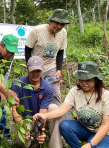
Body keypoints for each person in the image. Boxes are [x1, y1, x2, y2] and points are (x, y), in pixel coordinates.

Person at [34, 61, 109, 148]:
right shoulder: (75, 91)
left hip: (105, 135)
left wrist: (91, 144)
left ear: (96, 79)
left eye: (88, 80)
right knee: (65, 126)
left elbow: (106, 125)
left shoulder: (108, 96)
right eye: (81, 79)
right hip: (85, 129)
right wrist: (45, 116)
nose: (83, 82)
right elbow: (62, 109)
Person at [25, 8, 70, 148]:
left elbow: (61, 52)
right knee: (33, 94)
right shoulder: (37, 31)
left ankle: (56, 130)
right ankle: (33, 126)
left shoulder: (63, 33)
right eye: (56, 23)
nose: (58, 27)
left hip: (51, 68)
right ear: (50, 21)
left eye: (62, 24)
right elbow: (27, 49)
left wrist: (59, 70)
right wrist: (30, 67)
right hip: (36, 68)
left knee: (56, 95)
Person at [10, 56, 53, 147]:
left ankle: (39, 140)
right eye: (32, 70)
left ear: (42, 70)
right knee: (21, 140)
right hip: (23, 119)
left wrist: (41, 131)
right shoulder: (17, 84)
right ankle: (29, 141)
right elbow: (14, 111)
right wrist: (24, 128)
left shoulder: (47, 88)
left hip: (37, 119)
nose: (35, 74)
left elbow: (42, 114)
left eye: (38, 71)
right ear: (27, 69)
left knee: (54, 107)